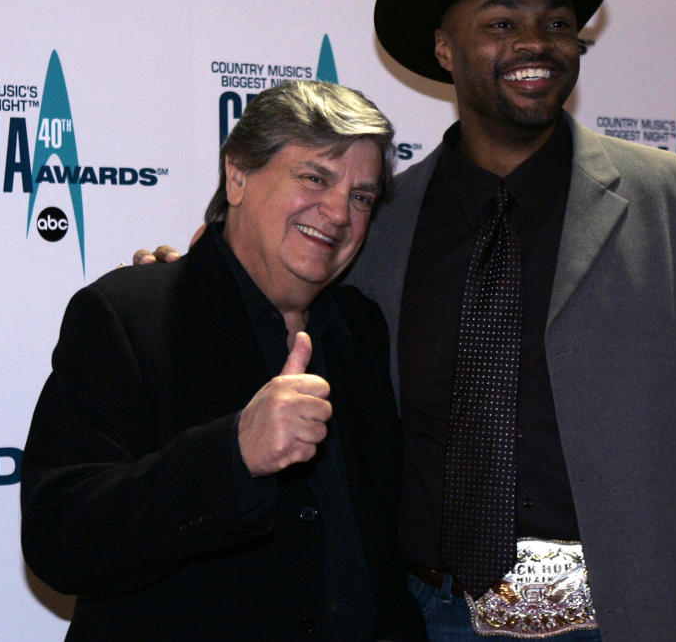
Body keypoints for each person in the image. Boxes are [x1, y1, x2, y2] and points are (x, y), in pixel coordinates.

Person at [136, 0, 676, 641]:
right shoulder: (378, 220)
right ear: (445, 49)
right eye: (501, 22)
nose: (535, 43)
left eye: (558, 24)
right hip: (424, 615)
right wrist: (190, 284)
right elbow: (278, 293)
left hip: (625, 613)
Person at [22, 80, 427, 641]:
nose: (338, 213)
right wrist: (233, 455)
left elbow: (376, 559)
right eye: (314, 177)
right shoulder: (127, 314)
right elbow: (60, 539)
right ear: (237, 175)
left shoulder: (362, 326)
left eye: (361, 196)